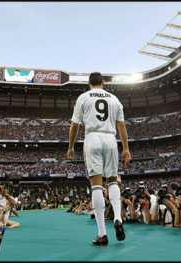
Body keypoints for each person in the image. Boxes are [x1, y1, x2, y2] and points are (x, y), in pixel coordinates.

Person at [66, 72, 130, 246]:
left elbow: (74, 125)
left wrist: (71, 147)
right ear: (103, 83)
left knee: (96, 185)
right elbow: (121, 125)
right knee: (113, 182)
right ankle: (118, 217)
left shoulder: (83, 98)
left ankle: (102, 233)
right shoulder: (114, 99)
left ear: (89, 83)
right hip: (110, 139)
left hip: (92, 138)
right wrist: (126, 148)